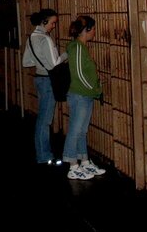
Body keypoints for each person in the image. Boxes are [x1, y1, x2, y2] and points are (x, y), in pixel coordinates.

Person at [62, 15, 106, 180]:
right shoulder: (78, 48)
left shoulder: (78, 47)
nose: (94, 32)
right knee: (75, 130)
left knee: (82, 130)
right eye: (93, 28)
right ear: (86, 30)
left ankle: (85, 162)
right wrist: (94, 88)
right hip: (81, 94)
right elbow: (79, 73)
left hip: (83, 94)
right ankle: (72, 165)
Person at [22, 8, 67, 166]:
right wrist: (67, 54)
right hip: (48, 81)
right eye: (53, 23)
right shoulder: (45, 39)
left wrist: (40, 62)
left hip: (39, 80)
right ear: (45, 21)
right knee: (45, 120)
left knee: (42, 118)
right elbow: (54, 63)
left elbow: (26, 62)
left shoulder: (31, 38)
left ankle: (43, 153)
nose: (54, 26)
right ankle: (44, 155)